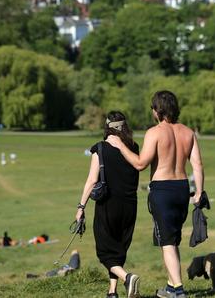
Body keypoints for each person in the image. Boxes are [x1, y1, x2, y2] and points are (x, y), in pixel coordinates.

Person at [107, 91, 205, 298]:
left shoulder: (155, 132)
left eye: (153, 108)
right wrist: (199, 193)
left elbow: (140, 164)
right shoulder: (188, 132)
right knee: (172, 240)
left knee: (167, 242)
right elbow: (197, 164)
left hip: (163, 190)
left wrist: (120, 145)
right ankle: (171, 286)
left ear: (157, 110)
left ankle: (178, 290)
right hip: (182, 188)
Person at [76, 111, 141, 298]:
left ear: (106, 127)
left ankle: (127, 278)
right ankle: (112, 292)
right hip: (130, 206)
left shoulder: (100, 148)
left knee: (104, 252)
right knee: (119, 248)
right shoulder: (134, 148)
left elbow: (91, 180)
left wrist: (81, 207)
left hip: (108, 205)